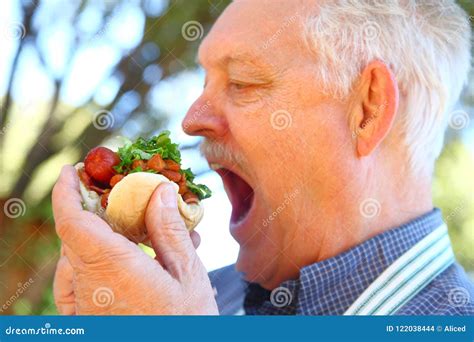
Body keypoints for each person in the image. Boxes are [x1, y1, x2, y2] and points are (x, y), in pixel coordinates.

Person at [52, 0, 473, 315]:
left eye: (242, 82)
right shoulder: (197, 301)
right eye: (204, 83)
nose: (191, 119)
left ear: (368, 109)